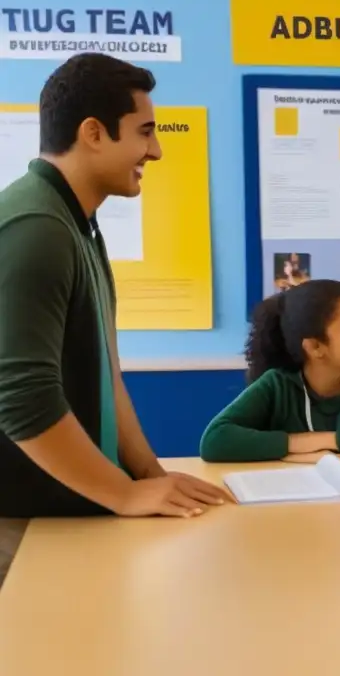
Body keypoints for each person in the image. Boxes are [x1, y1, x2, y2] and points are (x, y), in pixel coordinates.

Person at [0, 54, 229, 584]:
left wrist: (151, 475)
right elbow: (21, 398)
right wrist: (125, 492)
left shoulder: (79, 227)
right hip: (22, 528)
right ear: (94, 133)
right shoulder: (37, 226)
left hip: (66, 518)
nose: (156, 150)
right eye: (145, 132)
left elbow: (109, 376)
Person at [200, 279, 340, 462]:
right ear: (315, 347)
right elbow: (215, 440)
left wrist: (330, 440)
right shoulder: (277, 384)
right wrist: (299, 443)